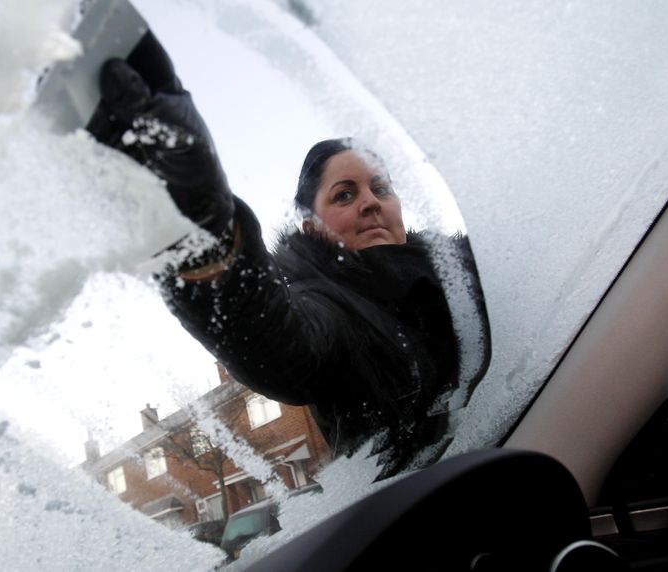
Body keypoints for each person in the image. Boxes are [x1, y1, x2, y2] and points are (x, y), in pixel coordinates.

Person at [87, 33, 490, 478]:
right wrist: (199, 228)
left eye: (381, 188)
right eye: (344, 195)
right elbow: (276, 340)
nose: (371, 202)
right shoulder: (326, 304)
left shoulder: (460, 264)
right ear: (312, 226)